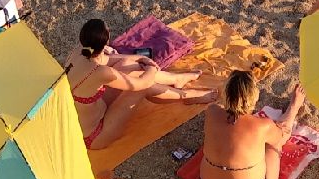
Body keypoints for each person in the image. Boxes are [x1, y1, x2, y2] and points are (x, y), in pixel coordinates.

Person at [65, 19, 214, 155]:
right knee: (143, 87)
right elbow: (142, 84)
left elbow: (109, 59)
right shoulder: (101, 72)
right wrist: (152, 68)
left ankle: (177, 79)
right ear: (105, 43)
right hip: (95, 135)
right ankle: (188, 96)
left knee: (128, 65)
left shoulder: (79, 52)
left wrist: (141, 58)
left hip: (95, 110)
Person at [200, 73, 306, 179]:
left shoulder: (211, 111)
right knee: (273, 146)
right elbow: (284, 135)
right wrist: (294, 106)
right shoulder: (262, 126)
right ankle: (294, 106)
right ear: (255, 96)